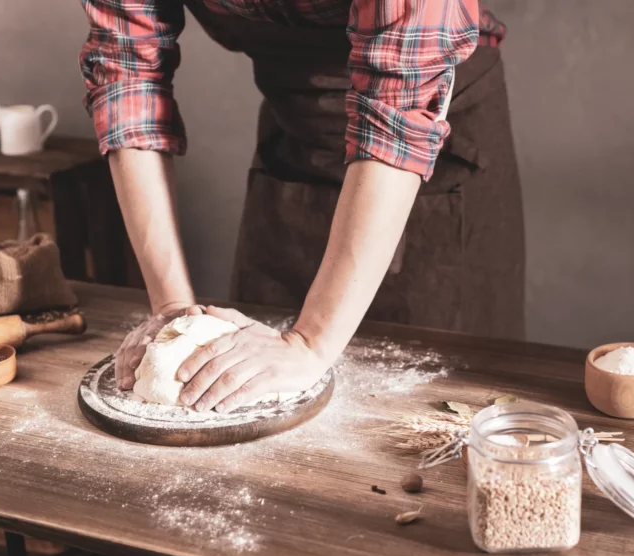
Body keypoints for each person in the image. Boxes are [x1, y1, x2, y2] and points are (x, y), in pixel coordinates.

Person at [79, 0, 525, 413]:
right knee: (244, 398)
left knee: (431, 401)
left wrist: (311, 342)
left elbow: (399, 110)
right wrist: (173, 313)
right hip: (297, 136)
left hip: (436, 142)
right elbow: (128, 78)